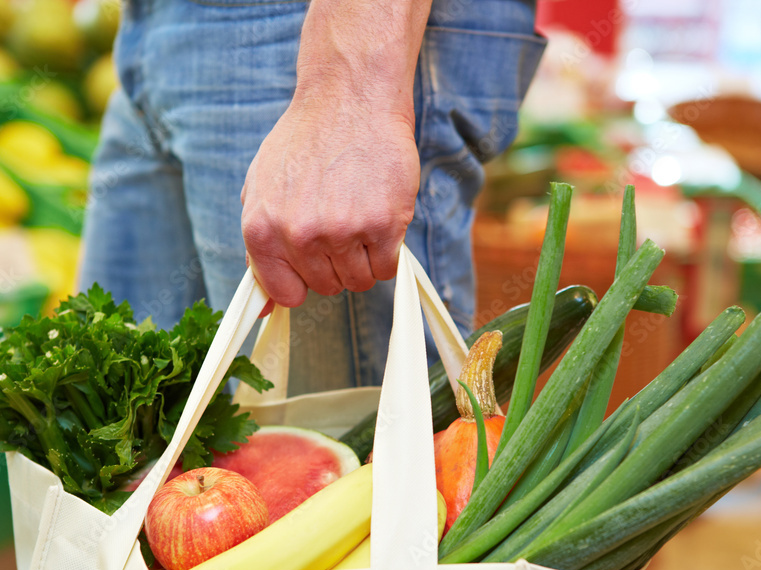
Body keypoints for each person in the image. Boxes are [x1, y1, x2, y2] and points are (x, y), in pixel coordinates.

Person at [78, 0, 546, 395]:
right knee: (117, 441)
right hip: (158, 27)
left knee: (343, 478)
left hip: (311, 30)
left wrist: (353, 84)